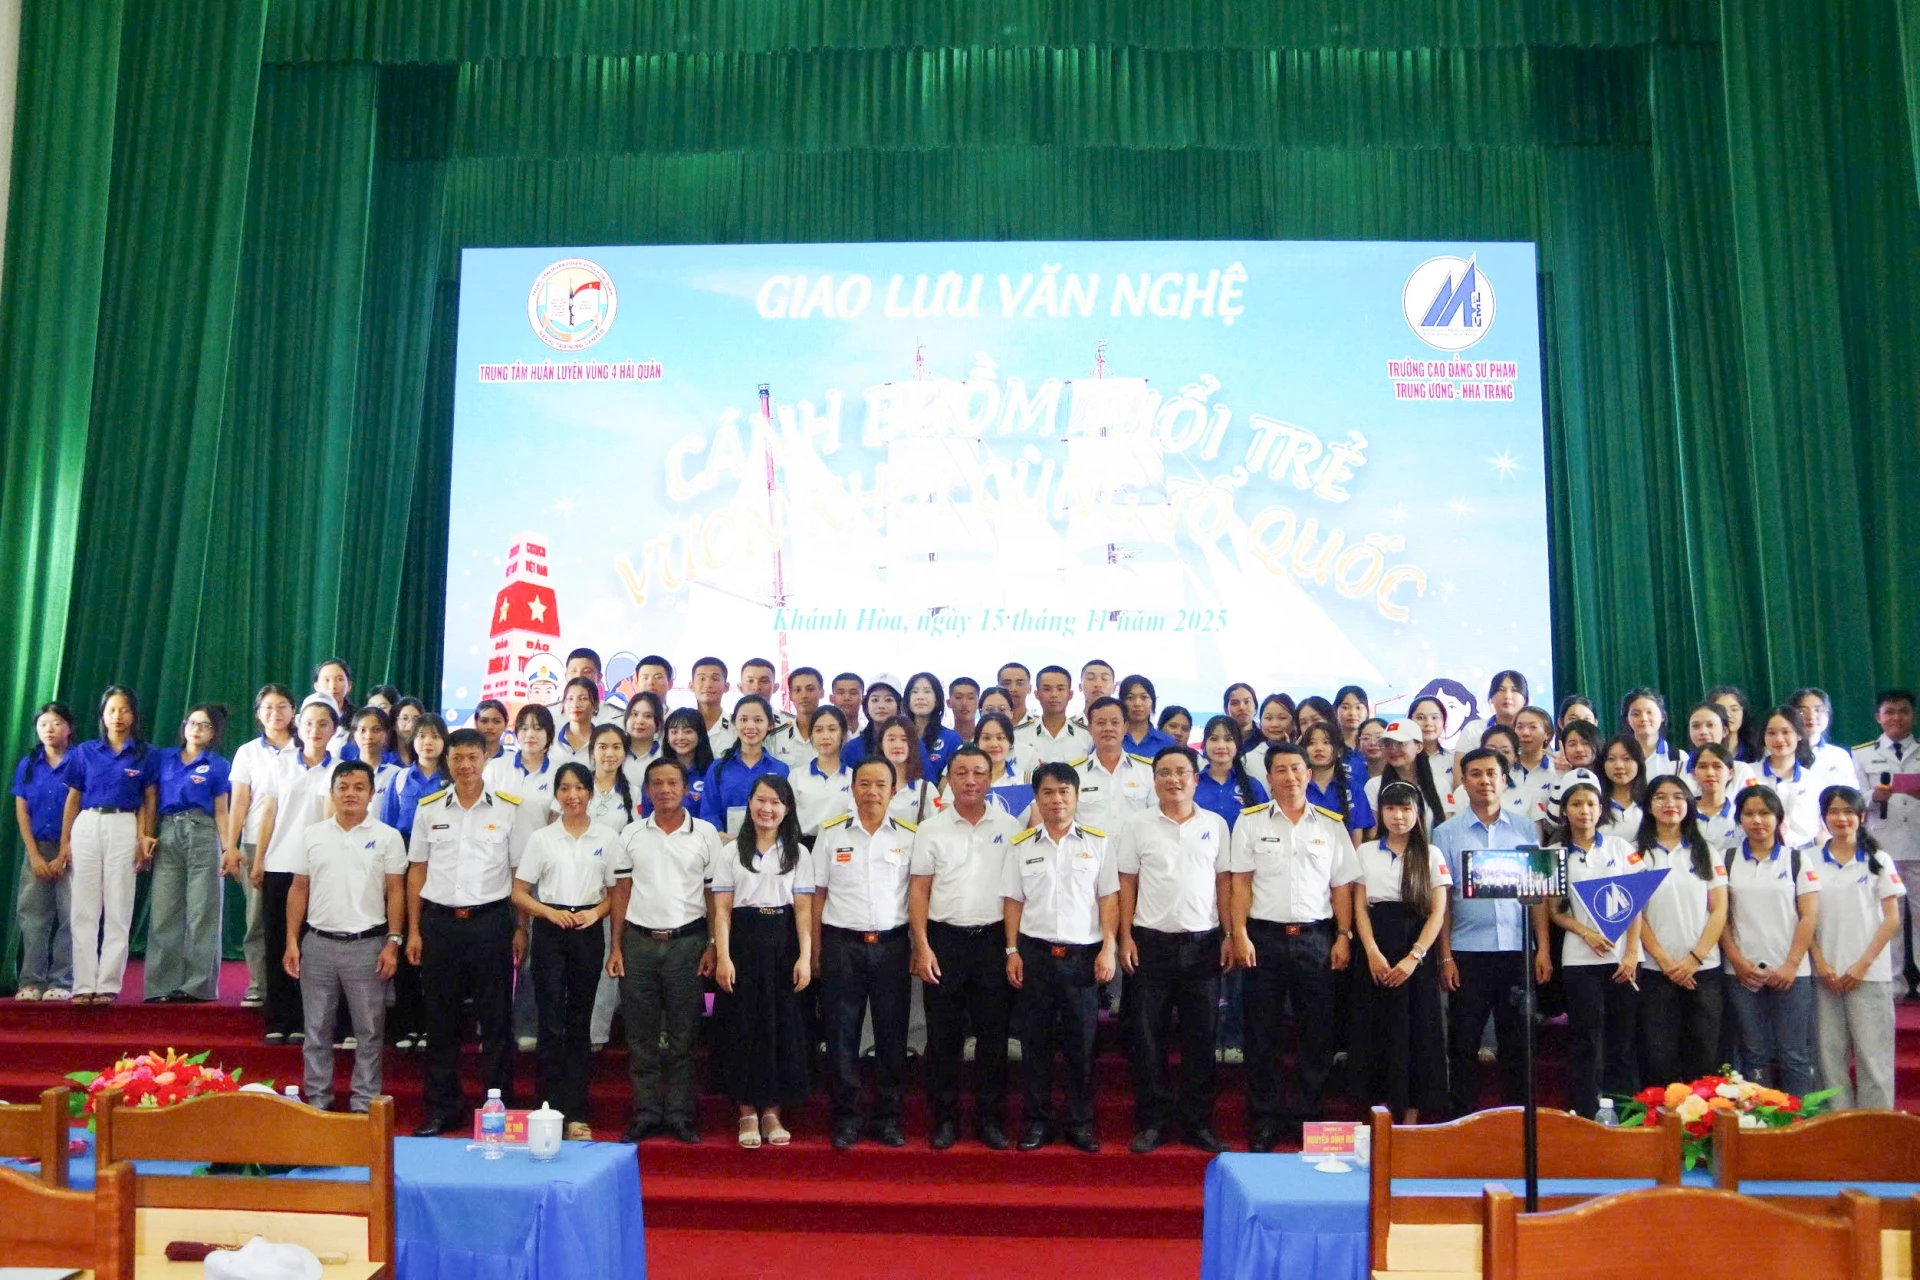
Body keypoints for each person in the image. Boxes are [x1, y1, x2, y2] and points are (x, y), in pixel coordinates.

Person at [1228, 743, 1358, 1149]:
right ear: (1268, 777)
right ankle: (1264, 1119)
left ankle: (1308, 1118)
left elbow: (1342, 886)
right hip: (1263, 939)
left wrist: (1343, 935)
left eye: (1296, 768)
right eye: (1281, 770)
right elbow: (1240, 883)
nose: (1290, 776)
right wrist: (1238, 933)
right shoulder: (1249, 822)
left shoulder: (1331, 825)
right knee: (1261, 1034)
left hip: (1317, 939)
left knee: (1316, 1034)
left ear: (1309, 774)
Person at [406, 727, 525, 1135]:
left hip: (491, 922)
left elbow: (518, 874)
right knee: (440, 1018)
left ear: (485, 759)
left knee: (496, 1018)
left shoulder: (507, 809)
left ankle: (497, 1105)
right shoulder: (429, 808)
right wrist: (413, 931)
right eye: (457, 758)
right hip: (439, 923)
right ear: (447, 761)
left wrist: (520, 928)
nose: (465, 765)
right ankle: (444, 1106)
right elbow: (416, 870)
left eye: (473, 757)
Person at [1114, 745, 1230, 1154]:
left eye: (1182, 772)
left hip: (1203, 945)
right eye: (1164, 772)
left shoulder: (1215, 824)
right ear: (1154, 780)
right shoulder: (1137, 825)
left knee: (1202, 1037)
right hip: (1150, 945)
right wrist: (1125, 937)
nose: (1173, 779)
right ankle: (1153, 1121)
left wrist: (1230, 934)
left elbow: (1224, 883)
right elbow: (1126, 882)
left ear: (1196, 779)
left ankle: (1198, 1122)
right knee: (1148, 1038)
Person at [910, 745, 1023, 1150]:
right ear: (950, 779)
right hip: (945, 941)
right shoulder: (931, 829)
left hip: (992, 941)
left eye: (978, 772)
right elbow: (919, 890)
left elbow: (1015, 893)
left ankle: (991, 1119)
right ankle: (944, 1119)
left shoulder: (1010, 826)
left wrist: (1011, 948)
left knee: (993, 1035)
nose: (970, 780)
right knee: (943, 1036)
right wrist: (922, 946)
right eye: (961, 773)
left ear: (990, 779)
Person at [1003, 761, 1118, 1153]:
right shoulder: (1021, 845)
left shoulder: (1098, 843)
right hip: (1035, 955)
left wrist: (1108, 947)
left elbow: (1109, 899)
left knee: (1081, 1045)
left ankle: (1079, 1121)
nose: (1057, 800)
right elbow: (1013, 901)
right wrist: (1012, 950)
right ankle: (1036, 1121)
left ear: (1077, 796)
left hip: (1082, 957)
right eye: (1048, 792)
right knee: (1034, 1043)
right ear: (1037, 799)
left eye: (1064, 792)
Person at [1434, 747, 1553, 1117]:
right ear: (1463, 782)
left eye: (1492, 774)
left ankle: (1518, 1120)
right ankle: (1462, 1120)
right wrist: (1445, 956)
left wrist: (1542, 948)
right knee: (1464, 1042)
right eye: (1475, 774)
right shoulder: (1445, 833)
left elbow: (1538, 893)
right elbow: (1442, 901)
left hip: (1517, 950)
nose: (1484, 781)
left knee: (1518, 1042)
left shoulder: (1525, 828)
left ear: (1504, 780)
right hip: (1467, 952)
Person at [282, 759, 406, 1113]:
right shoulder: (312, 835)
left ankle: (364, 1107)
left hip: (368, 946)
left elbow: (396, 892)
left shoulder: (388, 837)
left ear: (371, 794)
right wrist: (292, 940)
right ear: (332, 793)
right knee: (316, 1031)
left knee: (369, 1032)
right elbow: (298, 889)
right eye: (344, 787)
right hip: (318, 944)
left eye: (359, 787)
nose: (351, 794)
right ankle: (317, 1106)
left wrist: (393, 942)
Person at [611, 758, 720, 1143]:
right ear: (647, 789)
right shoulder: (631, 833)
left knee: (683, 1035)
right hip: (638, 944)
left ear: (686, 788)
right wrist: (616, 946)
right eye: (656, 783)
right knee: (640, 1035)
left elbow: (714, 895)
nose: (665, 790)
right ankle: (645, 1112)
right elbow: (621, 891)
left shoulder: (705, 833)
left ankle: (679, 1114)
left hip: (688, 944)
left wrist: (712, 945)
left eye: (673, 782)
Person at [815, 757, 918, 1149]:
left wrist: (917, 945)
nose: (872, 792)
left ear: (893, 791)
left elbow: (918, 895)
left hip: (892, 947)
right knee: (841, 1035)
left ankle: (888, 1117)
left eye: (881, 784)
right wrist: (816, 950)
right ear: (852, 788)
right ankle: (846, 1117)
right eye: (864, 783)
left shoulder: (910, 836)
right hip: (842, 946)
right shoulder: (830, 834)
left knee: (892, 1035)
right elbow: (817, 894)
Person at [511, 762, 617, 1140]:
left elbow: (617, 893)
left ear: (590, 792)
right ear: (556, 794)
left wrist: (596, 913)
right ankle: (547, 1110)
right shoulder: (542, 839)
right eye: (565, 788)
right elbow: (519, 892)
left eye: (580, 788)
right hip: (550, 931)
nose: (573, 795)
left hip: (588, 931)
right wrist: (548, 913)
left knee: (579, 1024)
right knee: (550, 1023)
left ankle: (576, 1113)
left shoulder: (607, 836)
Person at [711, 775, 815, 1148]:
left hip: (783, 944)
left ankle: (772, 1111)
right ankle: (746, 1111)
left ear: (786, 809)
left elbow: (803, 911)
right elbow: (722, 912)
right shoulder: (730, 853)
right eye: (760, 800)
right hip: (742, 944)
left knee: (779, 1027)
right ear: (750, 803)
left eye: (775, 802)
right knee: (742, 1026)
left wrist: (805, 957)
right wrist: (723, 957)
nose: (766, 808)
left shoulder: (798, 853)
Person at [1349, 781, 1451, 1121]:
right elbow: (1360, 907)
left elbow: (1437, 912)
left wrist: (1414, 957)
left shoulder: (1432, 854)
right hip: (1375, 949)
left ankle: (1409, 1120)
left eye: (1406, 808)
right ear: (1381, 813)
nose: (1398, 816)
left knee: (1416, 1032)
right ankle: (1378, 1117)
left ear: (1418, 813)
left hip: (1416, 952)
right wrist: (1371, 952)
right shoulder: (1366, 852)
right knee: (1374, 1030)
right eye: (1391, 809)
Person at [1547, 773, 1640, 1118]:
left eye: (1590, 803)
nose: (1584, 810)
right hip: (1578, 959)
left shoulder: (1621, 848)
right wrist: (1585, 932)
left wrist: (1632, 953)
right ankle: (1584, 1113)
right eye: (1576, 804)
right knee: (1585, 1038)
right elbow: (1555, 912)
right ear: (1564, 810)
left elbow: (1637, 904)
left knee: (1621, 1040)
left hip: (1622, 960)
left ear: (1601, 809)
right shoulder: (1554, 854)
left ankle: (1625, 1115)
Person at [59, 687, 159, 1006]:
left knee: (119, 906)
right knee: (83, 908)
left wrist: (144, 837)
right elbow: (73, 798)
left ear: (134, 715)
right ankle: (83, 984)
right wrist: (65, 842)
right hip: (87, 823)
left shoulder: (145, 753)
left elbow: (149, 800)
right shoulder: (85, 751)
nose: (118, 716)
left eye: (125, 709)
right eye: (112, 710)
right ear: (102, 714)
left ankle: (108, 984)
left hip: (124, 824)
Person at [1632, 771, 1730, 1085]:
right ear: (1649, 806)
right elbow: (1634, 912)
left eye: (1678, 797)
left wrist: (1694, 959)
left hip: (1703, 970)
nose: (1670, 804)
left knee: (1704, 1057)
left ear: (1689, 803)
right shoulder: (1636, 853)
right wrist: (1664, 961)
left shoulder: (1706, 851)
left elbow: (1719, 909)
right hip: (1655, 971)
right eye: (1660, 797)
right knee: (1658, 1057)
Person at [1807, 786, 1903, 1110]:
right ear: (1824, 817)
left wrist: (1862, 965)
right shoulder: (1808, 860)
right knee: (1828, 1059)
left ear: (1861, 816)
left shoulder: (1879, 859)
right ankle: (1835, 1129)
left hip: (1870, 975)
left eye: (1849, 811)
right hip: (1825, 976)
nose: (1841, 818)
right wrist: (1820, 963)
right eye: (1833, 811)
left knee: (1874, 1060)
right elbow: (1803, 918)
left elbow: (1891, 919)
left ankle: (1876, 1129)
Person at [1720, 784, 1819, 1095]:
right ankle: (1758, 1120)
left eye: (1764, 813)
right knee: (1753, 1055)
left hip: (1792, 973)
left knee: (1794, 1055)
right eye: (1748, 814)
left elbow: (1809, 916)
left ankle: (1799, 1121)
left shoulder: (1797, 860)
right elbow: (1719, 916)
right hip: (1741, 973)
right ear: (1739, 819)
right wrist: (1737, 961)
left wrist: (1791, 965)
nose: (1757, 820)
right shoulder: (1727, 859)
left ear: (1778, 818)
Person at [253, 695, 340, 1040]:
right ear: (298, 726)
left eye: (323, 724)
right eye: (309, 723)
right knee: (277, 942)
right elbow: (268, 814)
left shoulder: (339, 769)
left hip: (317, 870)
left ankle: (307, 1021)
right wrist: (259, 858)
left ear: (334, 729)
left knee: (310, 947)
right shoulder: (281, 763)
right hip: (279, 864)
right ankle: (278, 1020)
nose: (315, 730)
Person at [145, 704, 235, 1003]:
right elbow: (150, 798)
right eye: (193, 723)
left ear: (214, 733)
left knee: (203, 911)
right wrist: (145, 834)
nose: (197, 729)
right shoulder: (163, 758)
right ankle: (161, 985)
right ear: (184, 726)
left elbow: (222, 811)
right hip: (168, 831)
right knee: (164, 911)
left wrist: (228, 848)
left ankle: (198, 986)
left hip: (203, 832)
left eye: (205, 725)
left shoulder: (218, 764)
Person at [382, 712, 449, 1051]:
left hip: (442, 864)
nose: (428, 742)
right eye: (422, 736)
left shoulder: (451, 780)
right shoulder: (398, 779)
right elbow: (387, 828)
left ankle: (433, 1027)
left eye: (435, 736)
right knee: (407, 939)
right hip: (405, 860)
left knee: (436, 947)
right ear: (413, 740)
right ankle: (406, 1025)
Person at [229, 685, 297, 1009]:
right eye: (268, 707)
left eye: (282, 706)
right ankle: (259, 984)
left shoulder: (304, 747)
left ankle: (296, 986)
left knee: (296, 916)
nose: (276, 713)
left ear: (294, 711)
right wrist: (231, 845)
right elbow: (240, 801)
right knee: (257, 918)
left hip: (296, 840)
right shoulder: (247, 752)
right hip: (256, 841)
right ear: (258, 714)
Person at [1852, 689, 1918, 997]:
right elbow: (1851, 799)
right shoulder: (1861, 754)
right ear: (1878, 717)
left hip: (1917, 844)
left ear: (1913, 716)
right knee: (1888, 917)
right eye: (1889, 712)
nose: (1896, 718)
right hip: (1881, 846)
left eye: (1903, 711)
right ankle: (1892, 983)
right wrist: (1872, 796)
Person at [12, 703, 75, 1002]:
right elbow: (22, 810)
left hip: (73, 850)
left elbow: (83, 805)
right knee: (33, 917)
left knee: (71, 916)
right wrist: (34, 855)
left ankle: (62, 981)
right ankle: (31, 982)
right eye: (43, 724)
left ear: (69, 728)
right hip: (37, 847)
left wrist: (66, 850)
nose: (49, 729)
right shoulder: (29, 763)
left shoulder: (80, 761)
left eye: (57, 723)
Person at [699, 695, 790, 838]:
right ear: (734, 724)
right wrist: (721, 836)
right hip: (725, 844)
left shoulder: (781, 770)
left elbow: (786, 814)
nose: (750, 726)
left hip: (769, 845)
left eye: (758, 720)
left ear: (770, 725)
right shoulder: (718, 768)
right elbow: (709, 812)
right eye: (743, 719)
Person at [1071, 697, 1154, 832]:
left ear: (1125, 727)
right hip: (1088, 846)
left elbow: (1156, 818)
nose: (1108, 728)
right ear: (1090, 728)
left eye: (1115, 722)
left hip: (1137, 846)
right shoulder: (1073, 773)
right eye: (1101, 723)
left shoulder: (1147, 771)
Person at [1754, 706, 1822, 847]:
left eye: (1786, 732)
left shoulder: (1813, 780)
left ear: (1799, 735)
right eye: (1771, 733)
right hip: (1759, 850)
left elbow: (1819, 826)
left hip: (1804, 850)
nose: (1779, 739)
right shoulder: (1748, 773)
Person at [1364, 720, 1449, 832]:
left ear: (1418, 747)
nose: (1393, 749)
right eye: (1388, 744)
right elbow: (1373, 833)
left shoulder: (1440, 785)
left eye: (1400, 743)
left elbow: (1447, 830)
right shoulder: (1374, 786)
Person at [1301, 722, 1372, 843]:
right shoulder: (1296, 786)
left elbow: (1357, 836)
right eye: (1312, 743)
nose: (1319, 748)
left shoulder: (1352, 787)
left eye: (1326, 742)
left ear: (1339, 751)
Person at [789, 706, 853, 838]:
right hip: (803, 844)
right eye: (818, 730)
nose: (825, 736)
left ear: (843, 734)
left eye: (832, 729)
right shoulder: (796, 776)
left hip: (842, 844)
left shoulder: (853, 777)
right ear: (811, 735)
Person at [1195, 715, 1267, 831]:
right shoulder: (1192, 785)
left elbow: (1265, 827)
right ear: (1204, 744)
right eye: (1214, 739)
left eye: (1228, 739)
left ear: (1237, 744)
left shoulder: (1253, 786)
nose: (1221, 746)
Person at [1016, 665, 1091, 768]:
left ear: (1070, 694)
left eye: (1060, 689)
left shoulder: (1087, 735)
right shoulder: (1019, 735)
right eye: (1047, 689)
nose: (1054, 695)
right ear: (1037, 694)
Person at [1789, 688, 1858, 794]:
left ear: (1828, 715)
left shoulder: (1840, 756)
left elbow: (1851, 796)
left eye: (1818, 710)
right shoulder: (1782, 753)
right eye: (1802, 711)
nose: (1811, 716)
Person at [904, 672, 964, 782]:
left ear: (937, 699)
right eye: (915, 692)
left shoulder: (951, 738)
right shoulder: (898, 736)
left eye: (927, 691)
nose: (920, 697)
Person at [659, 707, 715, 814]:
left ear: (700, 735)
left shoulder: (714, 771)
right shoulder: (657, 772)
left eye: (688, 732)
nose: (680, 737)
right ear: (667, 737)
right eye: (674, 732)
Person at [769, 666, 826, 766]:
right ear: (790, 695)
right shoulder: (776, 735)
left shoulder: (833, 734)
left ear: (822, 693)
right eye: (797, 690)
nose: (804, 696)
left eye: (810, 689)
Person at [1618, 688, 1679, 778]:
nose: (1643, 718)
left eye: (1649, 712)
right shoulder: (1618, 756)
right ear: (1627, 719)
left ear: (1662, 716)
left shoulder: (1678, 757)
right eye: (1636, 714)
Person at [1118, 674, 1176, 757]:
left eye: (1144, 697)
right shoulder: (1112, 738)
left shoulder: (1167, 742)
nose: (1137, 703)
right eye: (1130, 698)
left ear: (1153, 702)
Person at [1599, 735, 1647, 836]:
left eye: (1626, 758)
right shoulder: (1595, 803)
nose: (1619, 766)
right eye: (1611, 759)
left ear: (1639, 763)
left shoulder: (1650, 802)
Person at [620, 691, 666, 792]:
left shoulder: (665, 755)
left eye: (648, 716)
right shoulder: (616, 753)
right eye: (634, 714)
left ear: (658, 723)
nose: (639, 721)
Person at [691, 657, 736, 754]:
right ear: (691, 686)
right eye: (702, 679)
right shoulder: (681, 727)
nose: (708, 685)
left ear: (726, 687)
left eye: (715, 679)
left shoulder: (736, 728)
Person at [552, 676, 600, 766]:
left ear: (596, 704)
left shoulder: (602, 742)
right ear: (563, 703)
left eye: (583, 699)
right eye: (570, 699)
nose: (575, 704)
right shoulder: (551, 739)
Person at [996, 663, 1034, 730]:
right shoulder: (985, 727)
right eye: (1006, 683)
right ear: (997, 688)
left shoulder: (1040, 726)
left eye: (1020, 683)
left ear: (1029, 689)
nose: (1013, 689)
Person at [948, 676, 980, 742]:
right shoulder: (943, 740)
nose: (964, 703)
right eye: (958, 697)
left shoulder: (986, 741)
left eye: (970, 698)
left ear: (979, 703)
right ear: (948, 703)